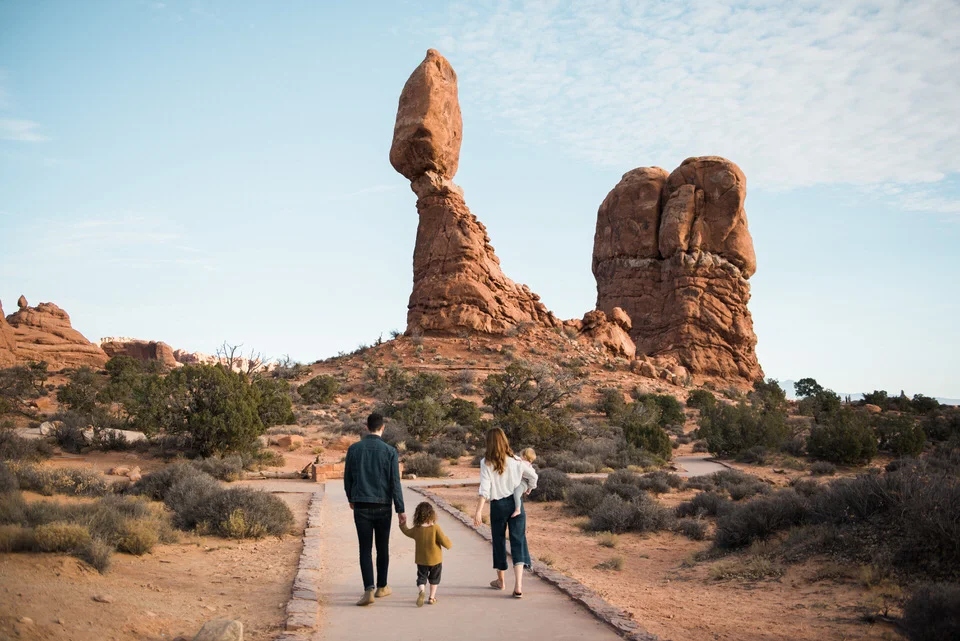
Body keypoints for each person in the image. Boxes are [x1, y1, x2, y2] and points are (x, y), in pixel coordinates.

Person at [343, 412, 406, 606]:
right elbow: (395, 482)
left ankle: (368, 589)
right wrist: (400, 508)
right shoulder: (390, 451)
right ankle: (382, 587)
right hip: (383, 506)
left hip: (361, 504)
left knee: (364, 548)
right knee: (382, 547)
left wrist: (351, 498)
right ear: (382, 427)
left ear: (366, 427)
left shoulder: (354, 449)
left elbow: (347, 478)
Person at [473, 427, 538, 598]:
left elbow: (484, 489)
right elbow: (534, 476)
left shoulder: (486, 462)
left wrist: (478, 511)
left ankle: (501, 581)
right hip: (516, 504)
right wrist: (529, 488)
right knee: (518, 540)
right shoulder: (517, 460)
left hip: (498, 505)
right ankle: (518, 586)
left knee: (499, 541)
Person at [400, 501, 452, 607]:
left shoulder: (417, 529)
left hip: (421, 560)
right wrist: (449, 543)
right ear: (432, 514)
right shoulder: (435, 528)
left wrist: (402, 524)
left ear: (417, 515)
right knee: (434, 579)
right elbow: (445, 542)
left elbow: (407, 532)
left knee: (421, 577)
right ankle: (432, 598)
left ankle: (422, 591)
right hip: (435, 560)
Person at [511, 448, 537, 518]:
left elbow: (534, 477)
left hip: (524, 483)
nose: (520, 457)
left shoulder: (523, 463)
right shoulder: (526, 463)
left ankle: (518, 509)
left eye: (521, 456)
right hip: (524, 483)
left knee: (516, 493)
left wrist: (530, 487)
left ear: (524, 457)